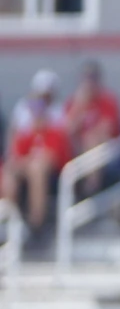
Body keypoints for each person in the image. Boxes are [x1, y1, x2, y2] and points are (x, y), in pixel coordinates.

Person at [5, 70, 72, 234]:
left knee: (37, 169)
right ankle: (10, 220)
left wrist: (28, 163)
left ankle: (37, 223)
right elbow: (16, 158)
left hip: (56, 174)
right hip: (29, 170)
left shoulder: (55, 131)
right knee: (9, 172)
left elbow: (51, 159)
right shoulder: (26, 135)